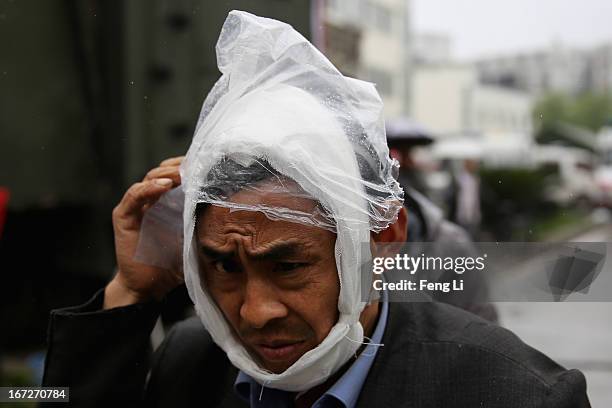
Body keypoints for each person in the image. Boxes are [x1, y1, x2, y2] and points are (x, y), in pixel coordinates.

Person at [42, 11, 589, 408]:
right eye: (225, 266)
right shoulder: (191, 362)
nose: (256, 313)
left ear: (381, 239)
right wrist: (132, 292)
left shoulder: (511, 394)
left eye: (289, 266)